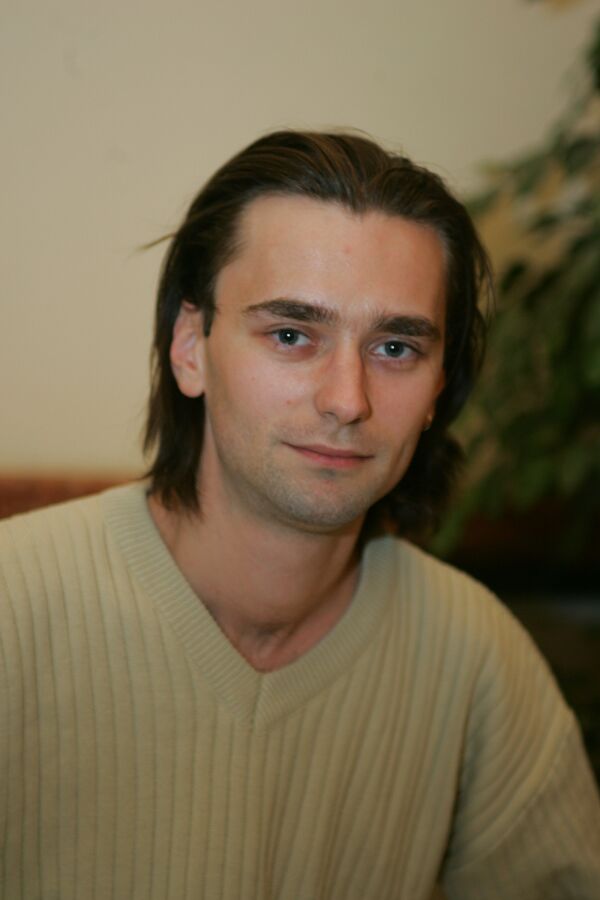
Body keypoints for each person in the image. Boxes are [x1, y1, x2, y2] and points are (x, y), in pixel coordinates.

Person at [1, 130, 599, 900]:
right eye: (290, 335)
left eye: (395, 348)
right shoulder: (14, 607)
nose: (347, 400)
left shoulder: (478, 659)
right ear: (190, 348)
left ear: (438, 391)